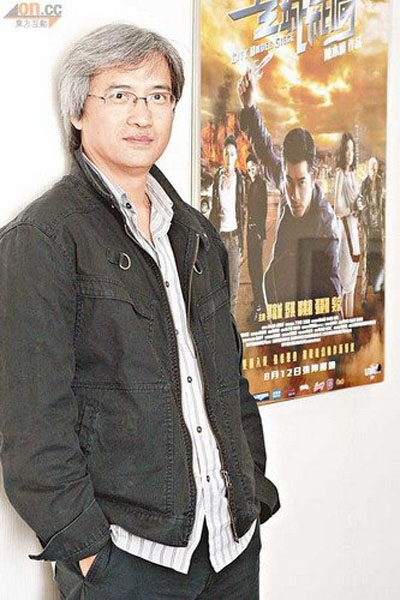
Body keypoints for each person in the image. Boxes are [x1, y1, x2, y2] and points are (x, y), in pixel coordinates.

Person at [0, 24, 279, 600]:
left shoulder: (196, 233)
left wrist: (253, 492)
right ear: (78, 111)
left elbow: (227, 381)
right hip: (129, 561)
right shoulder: (44, 238)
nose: (143, 115)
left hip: (229, 546)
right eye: (121, 95)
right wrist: (87, 552)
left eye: (158, 96)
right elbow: (31, 421)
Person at [238, 69, 341, 309]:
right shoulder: (286, 183)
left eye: (301, 182)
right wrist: (249, 105)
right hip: (277, 305)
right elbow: (264, 150)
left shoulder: (325, 228)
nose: (293, 195)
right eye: (289, 181)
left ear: (313, 176)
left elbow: (330, 298)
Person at [209, 134, 245, 316]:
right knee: (217, 283)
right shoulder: (217, 177)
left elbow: (242, 212)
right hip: (220, 236)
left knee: (233, 285)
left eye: (232, 154)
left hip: (234, 238)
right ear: (222, 156)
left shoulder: (240, 180)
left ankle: (231, 325)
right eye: (226, 154)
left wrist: (242, 244)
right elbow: (214, 210)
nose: (229, 158)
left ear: (236, 157)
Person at [333, 132, 361, 317]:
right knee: (344, 283)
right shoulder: (340, 174)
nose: (350, 154)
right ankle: (342, 323)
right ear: (342, 152)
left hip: (354, 231)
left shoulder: (353, 175)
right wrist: (352, 209)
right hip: (344, 232)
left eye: (352, 149)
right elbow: (337, 208)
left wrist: (359, 207)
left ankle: (349, 325)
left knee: (352, 283)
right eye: (347, 149)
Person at [245, 153, 268, 323]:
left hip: (256, 232)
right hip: (251, 229)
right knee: (252, 268)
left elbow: (263, 209)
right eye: (249, 169)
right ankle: (258, 298)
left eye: (253, 168)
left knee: (255, 269)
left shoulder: (260, 185)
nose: (251, 171)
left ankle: (260, 305)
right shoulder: (253, 184)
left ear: (258, 167)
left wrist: (260, 231)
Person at [360, 156, 385, 303]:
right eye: (371, 167)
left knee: (381, 259)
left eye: (375, 167)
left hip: (380, 227)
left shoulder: (381, 182)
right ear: (368, 169)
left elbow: (384, 203)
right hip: (367, 228)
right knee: (366, 262)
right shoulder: (364, 184)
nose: (374, 170)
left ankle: (381, 289)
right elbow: (360, 204)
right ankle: (363, 295)